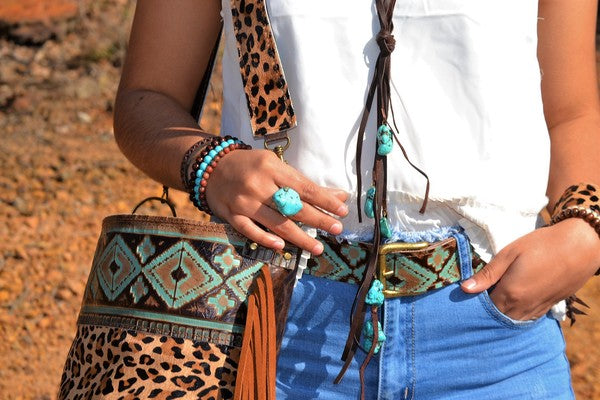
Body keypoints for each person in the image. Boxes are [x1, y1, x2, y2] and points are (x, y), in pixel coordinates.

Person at [109, 0, 600, 399]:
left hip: (494, 336)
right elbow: (147, 96)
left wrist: (586, 229)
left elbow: (572, 111)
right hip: (279, 324)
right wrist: (212, 166)